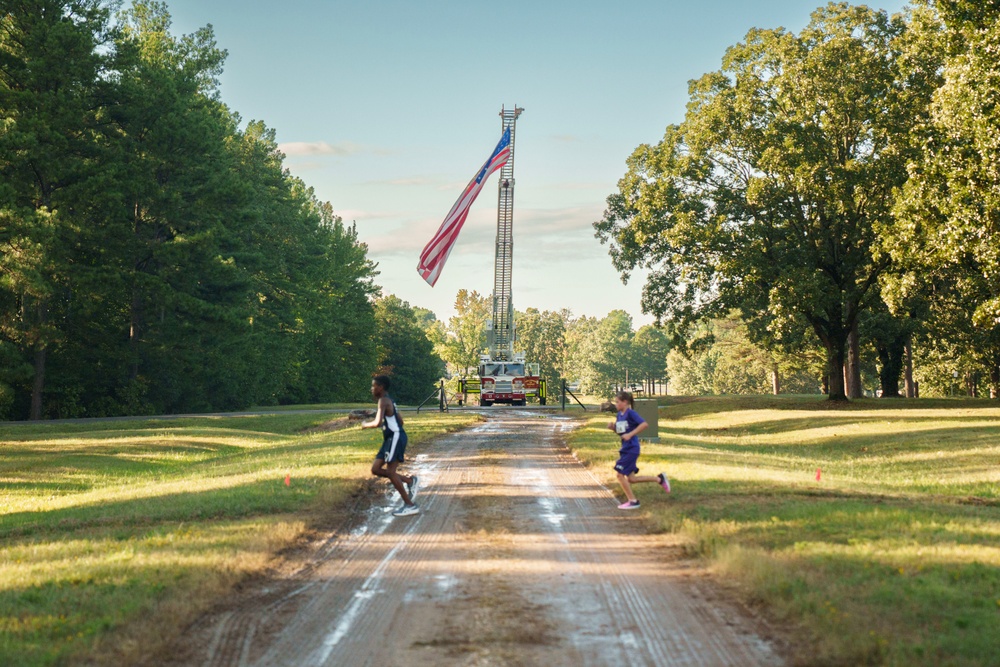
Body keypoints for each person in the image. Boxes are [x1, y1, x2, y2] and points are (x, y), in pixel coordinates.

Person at [362, 375, 419, 517]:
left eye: (374, 386)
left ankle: (410, 505)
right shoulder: (390, 400)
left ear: (380, 387)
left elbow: (377, 423)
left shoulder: (383, 401)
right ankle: (409, 481)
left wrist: (364, 425)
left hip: (395, 437)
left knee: (391, 471)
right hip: (391, 438)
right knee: (375, 469)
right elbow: (400, 420)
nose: (372, 389)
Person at [609, 390, 670, 510]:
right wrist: (613, 428)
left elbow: (644, 424)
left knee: (620, 475)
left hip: (632, 448)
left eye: (617, 402)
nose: (616, 404)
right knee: (631, 479)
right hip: (625, 448)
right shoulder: (619, 415)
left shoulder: (631, 413)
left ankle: (633, 501)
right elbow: (622, 433)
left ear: (625, 402)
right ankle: (659, 479)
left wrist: (631, 434)